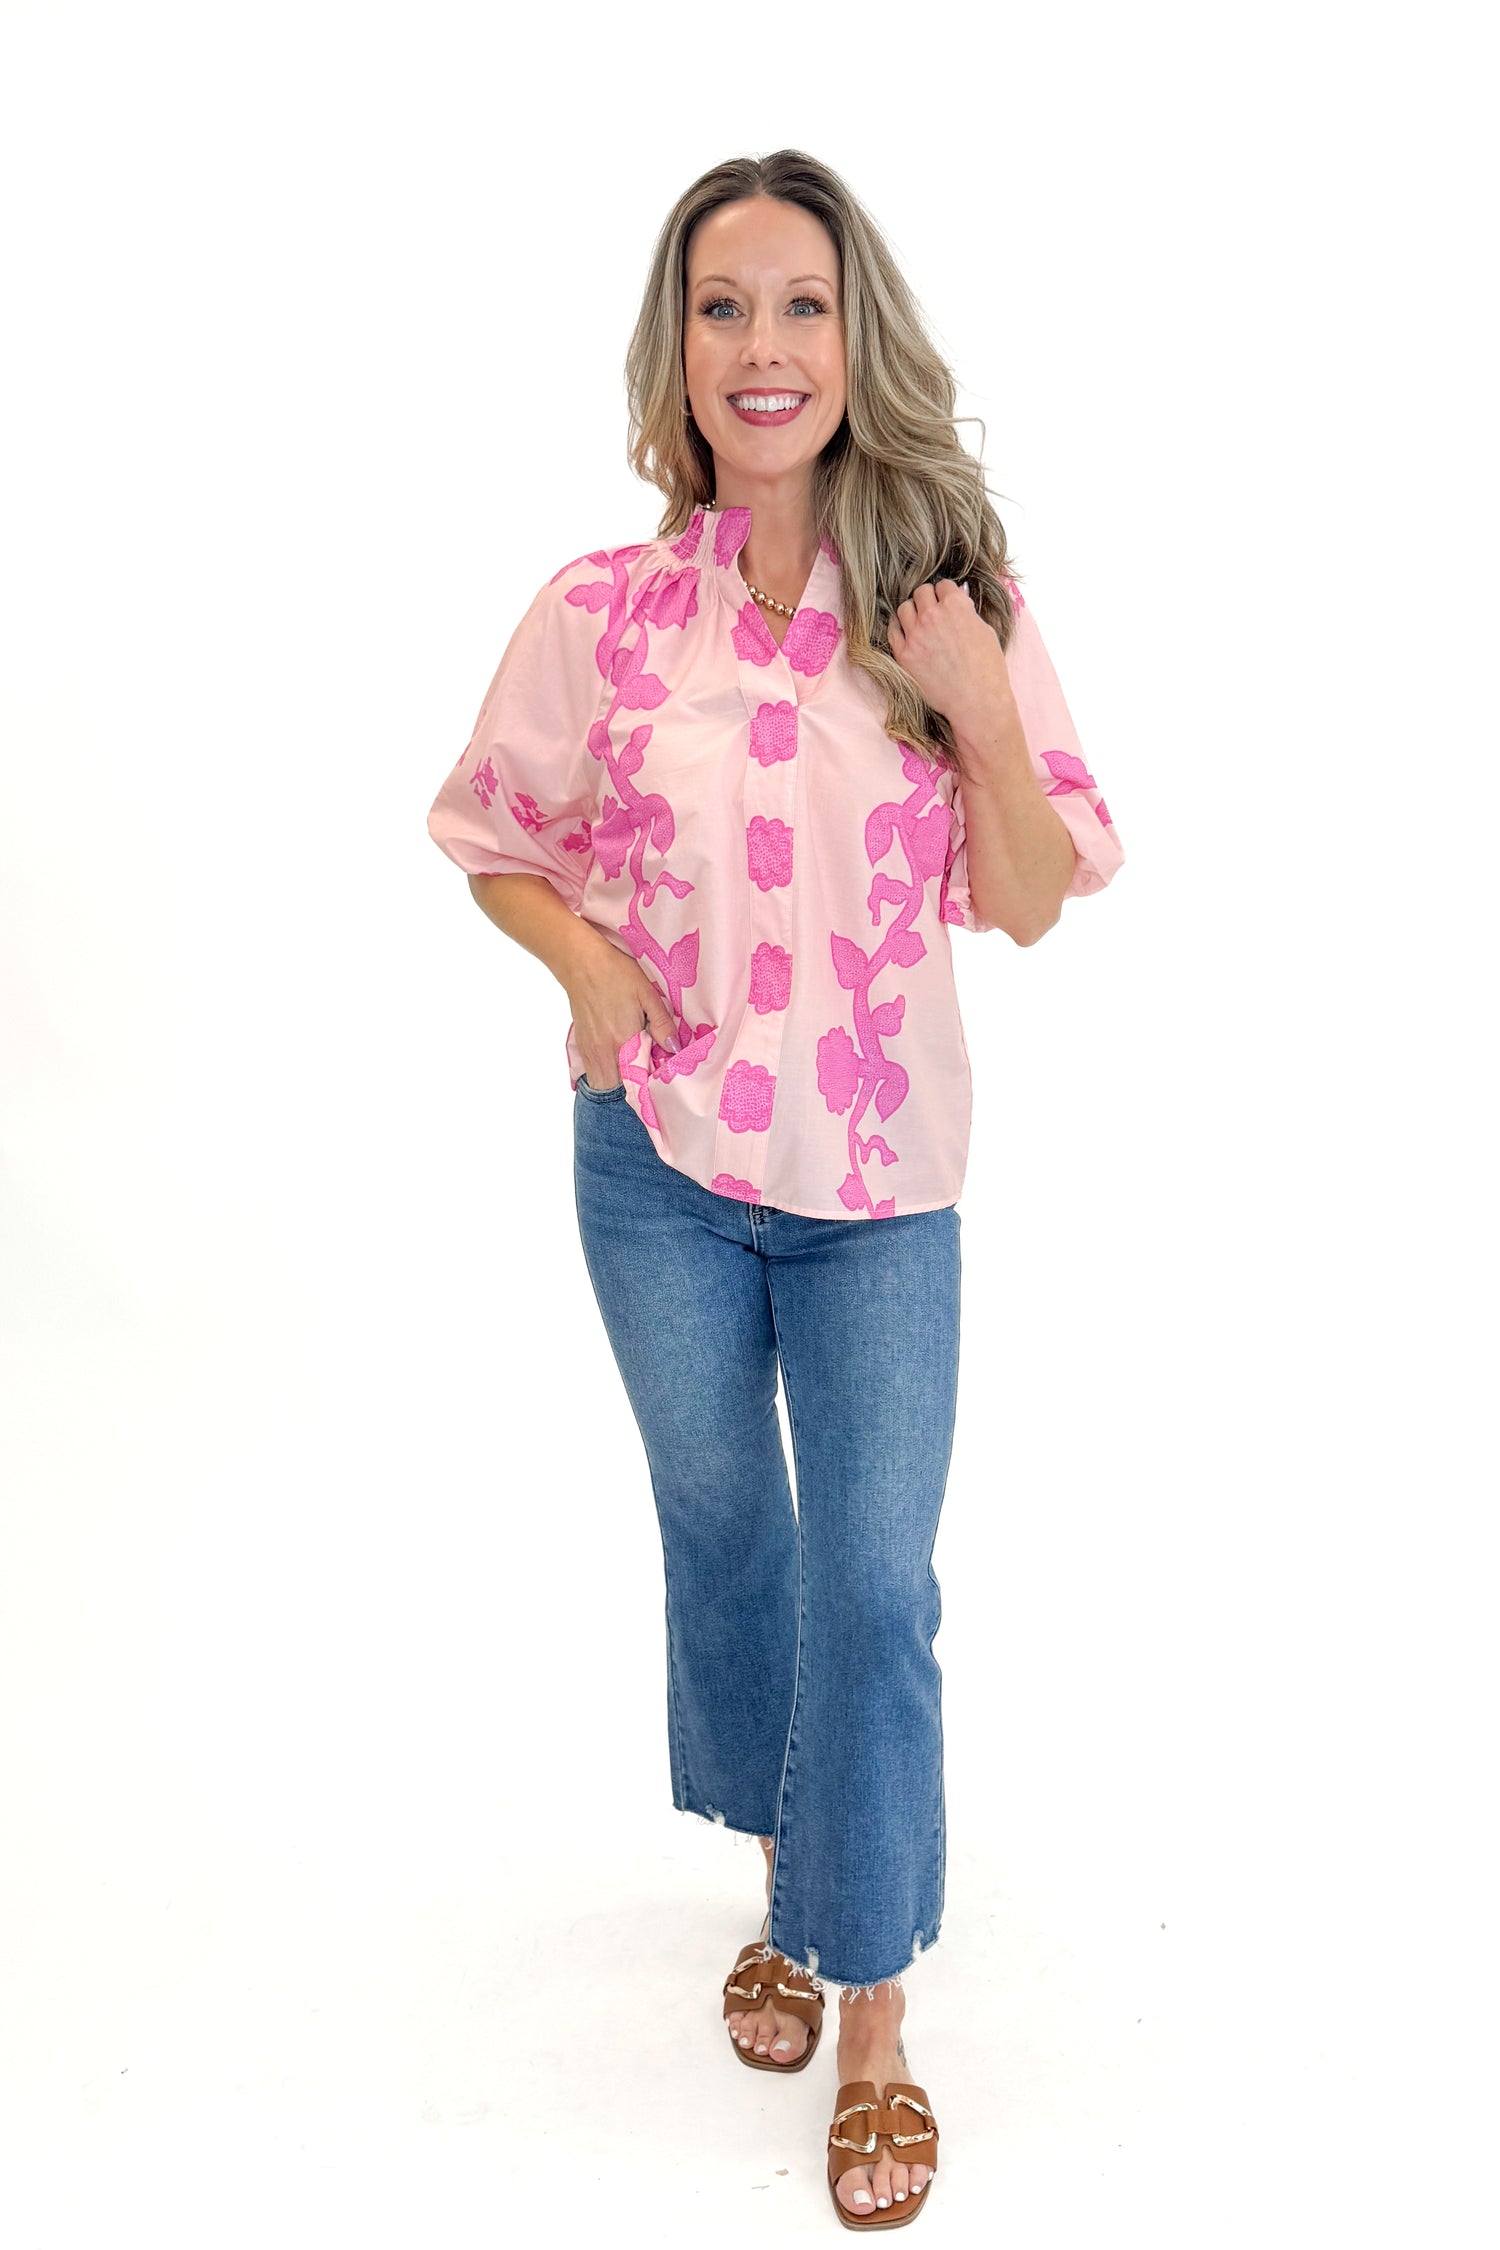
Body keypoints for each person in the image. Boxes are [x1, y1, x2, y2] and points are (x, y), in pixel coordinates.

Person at [425, 148, 1125, 2230]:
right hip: (653, 1170)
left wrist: (978, 709)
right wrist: (589, 964)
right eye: (722, 308)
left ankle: (875, 2003)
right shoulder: (601, 614)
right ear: (680, 351)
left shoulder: (950, 597)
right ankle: (786, 1892)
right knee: (732, 1538)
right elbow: (489, 834)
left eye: (800, 305)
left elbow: (1032, 897)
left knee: (874, 1582)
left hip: (878, 1186)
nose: (763, 346)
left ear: (853, 337)